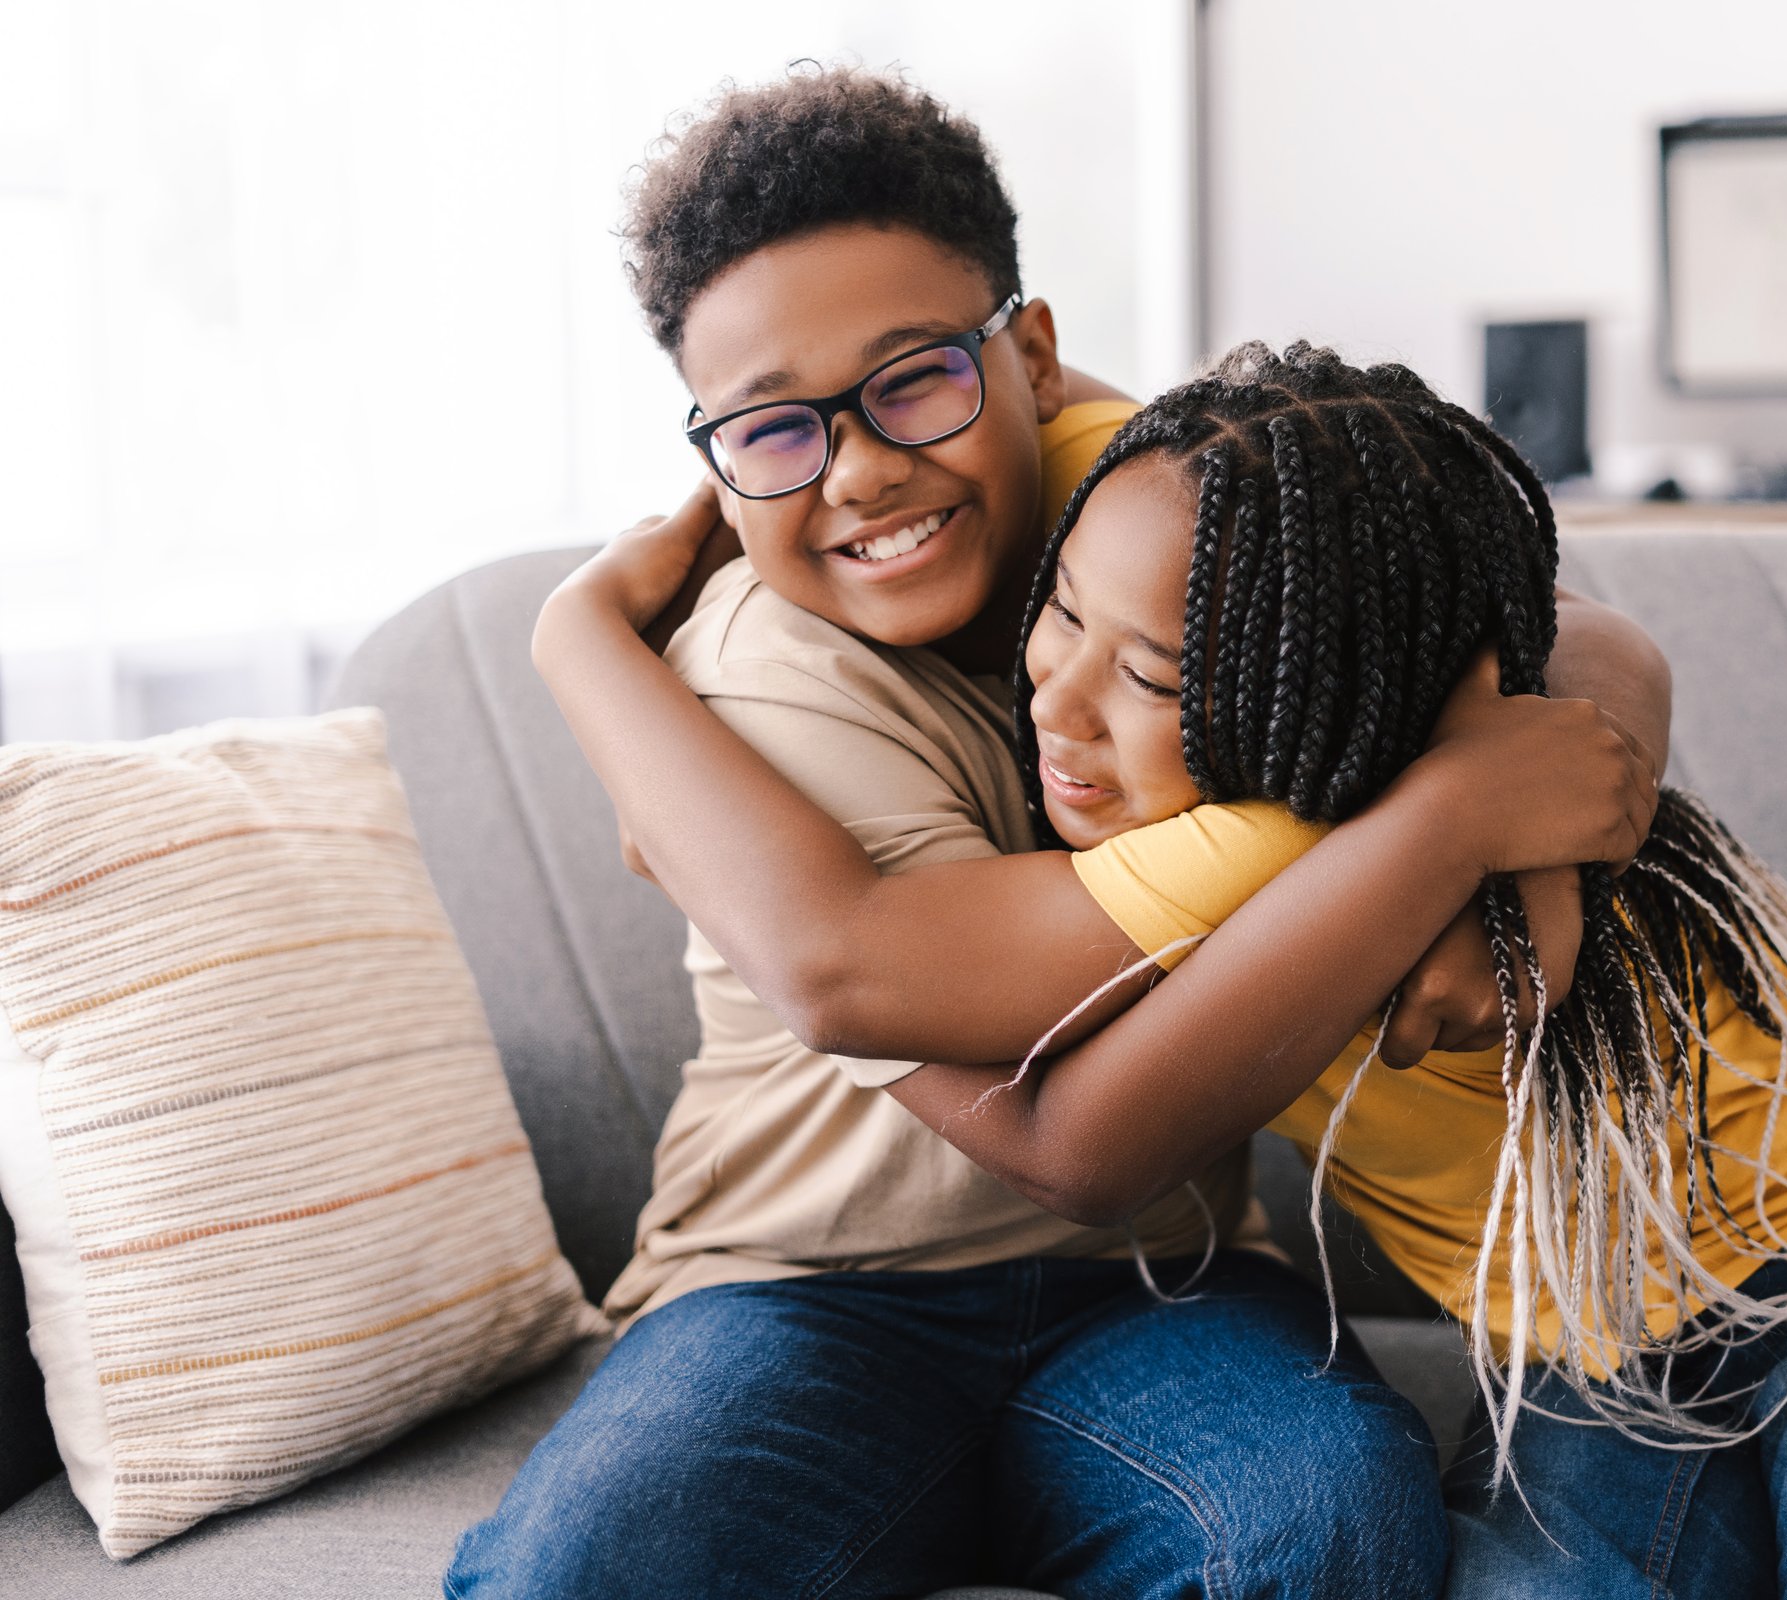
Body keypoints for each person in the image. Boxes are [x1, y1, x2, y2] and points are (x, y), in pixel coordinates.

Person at [564, 339, 1787, 1598]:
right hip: (1589, 1338)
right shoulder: (1198, 589)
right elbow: (1521, 613)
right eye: (1058, 623)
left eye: (1146, 679)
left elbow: (1055, 1122)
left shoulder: (1270, 831)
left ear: (1308, 696)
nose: (1053, 707)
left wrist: (1488, 831)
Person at [457, 68, 1672, 1600]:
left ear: (1028, 354)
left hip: (1154, 1291)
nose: (862, 472)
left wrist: (1550, 849)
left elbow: (1557, 634)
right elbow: (870, 975)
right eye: (773, 431)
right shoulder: (759, 666)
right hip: (789, 1293)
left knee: (1330, 1537)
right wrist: (1454, 824)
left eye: (913, 382)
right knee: (588, 1572)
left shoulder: (1168, 522)